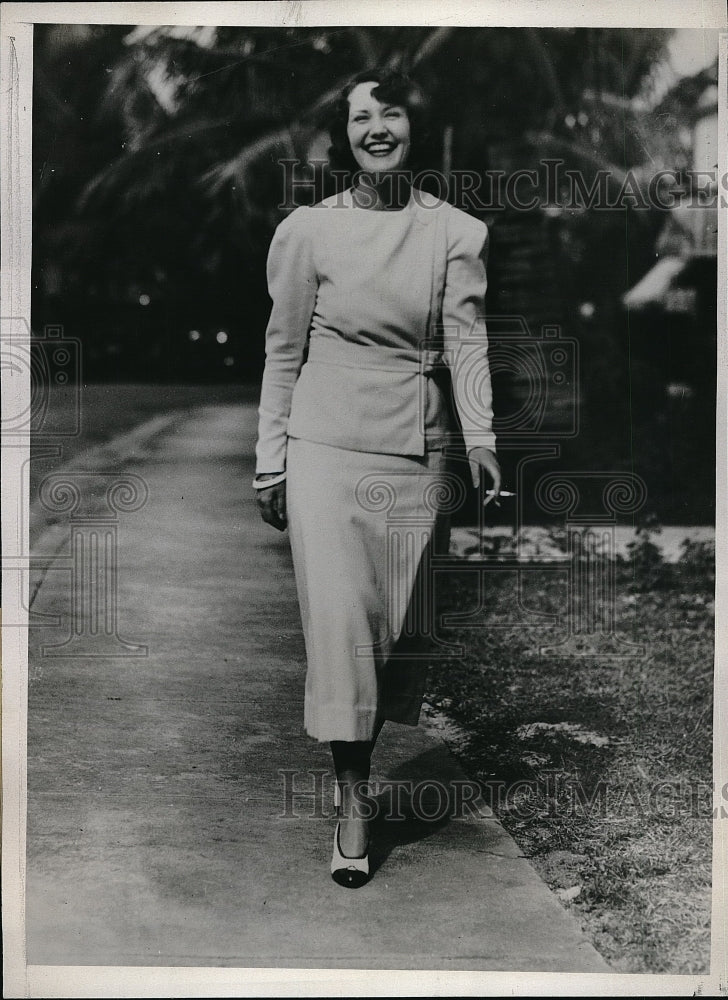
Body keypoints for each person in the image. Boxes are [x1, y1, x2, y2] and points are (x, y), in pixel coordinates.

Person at [253, 69, 501, 888]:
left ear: (413, 127)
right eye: (362, 118)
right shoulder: (308, 232)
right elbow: (283, 351)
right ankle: (352, 798)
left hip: (418, 449)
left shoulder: (456, 232)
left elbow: (468, 343)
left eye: (391, 113)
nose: (378, 129)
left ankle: (360, 764)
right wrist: (271, 459)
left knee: (395, 636)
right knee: (343, 628)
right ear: (344, 136)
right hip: (323, 447)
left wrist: (481, 439)